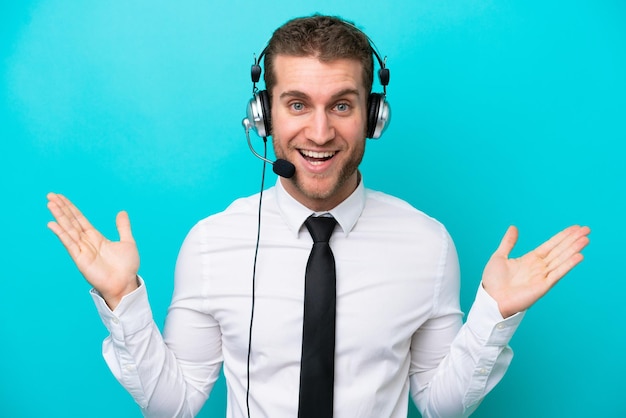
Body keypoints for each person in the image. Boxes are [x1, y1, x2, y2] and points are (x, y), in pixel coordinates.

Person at [46, 15, 590, 418]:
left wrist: (494, 314)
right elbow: (176, 403)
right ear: (264, 115)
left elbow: (440, 404)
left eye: (343, 105)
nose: (321, 132)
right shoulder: (211, 244)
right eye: (298, 104)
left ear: (374, 116)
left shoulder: (427, 243)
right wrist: (124, 302)